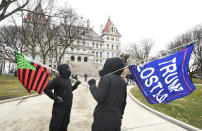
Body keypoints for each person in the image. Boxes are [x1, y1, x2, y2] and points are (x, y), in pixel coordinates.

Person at [88, 57, 127, 131]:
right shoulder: (123, 81)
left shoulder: (106, 78)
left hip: (103, 120)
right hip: (116, 120)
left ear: (109, 65)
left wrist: (92, 85)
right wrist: (120, 115)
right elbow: (124, 102)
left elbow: (99, 97)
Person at [44, 64, 81, 131]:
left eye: (70, 69)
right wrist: (56, 97)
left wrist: (75, 85)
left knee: (65, 124)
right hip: (59, 107)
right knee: (56, 125)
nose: (69, 70)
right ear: (63, 70)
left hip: (68, 106)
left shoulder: (68, 80)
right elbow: (46, 89)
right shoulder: (57, 80)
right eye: (68, 69)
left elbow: (69, 90)